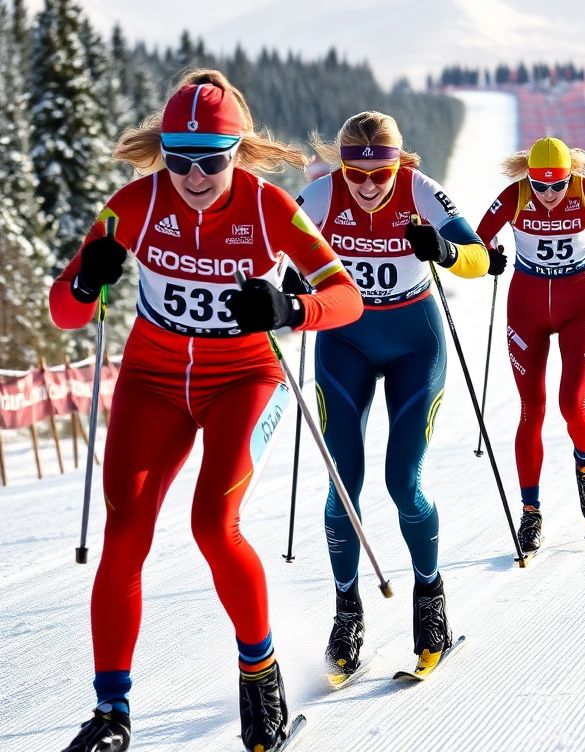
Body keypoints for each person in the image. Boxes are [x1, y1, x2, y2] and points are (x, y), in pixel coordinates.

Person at [51, 71, 364, 752]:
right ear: (163, 151)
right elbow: (65, 311)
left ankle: (261, 676)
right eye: (179, 157)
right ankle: (111, 713)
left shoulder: (268, 206)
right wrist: (86, 279)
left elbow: (347, 297)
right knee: (125, 532)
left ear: (238, 152)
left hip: (245, 379)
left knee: (212, 524)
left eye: (212, 159)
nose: (194, 175)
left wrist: (292, 308)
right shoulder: (133, 203)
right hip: (152, 382)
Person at [296, 111, 488, 683]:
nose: (370, 184)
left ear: (399, 163)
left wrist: (445, 252)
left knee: (403, 481)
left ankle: (430, 601)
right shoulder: (320, 195)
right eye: (357, 173)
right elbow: (268, 252)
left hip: (413, 343)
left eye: (381, 171)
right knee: (343, 485)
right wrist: (284, 284)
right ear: (342, 165)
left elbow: (478, 257)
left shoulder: (421, 191)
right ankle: (347, 612)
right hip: (344, 341)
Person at [476, 137, 585, 553]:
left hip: (580, 305)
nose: (549, 196)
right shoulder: (514, 196)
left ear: (570, 176)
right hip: (527, 307)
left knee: (572, 402)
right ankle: (530, 513)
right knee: (531, 408)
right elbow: (476, 239)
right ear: (528, 177)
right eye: (540, 186)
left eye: (558, 185)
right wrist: (489, 255)